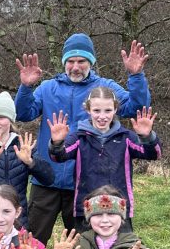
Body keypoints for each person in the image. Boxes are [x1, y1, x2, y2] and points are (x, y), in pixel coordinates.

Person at [15, 33, 151, 245]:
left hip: (83, 184)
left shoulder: (103, 88)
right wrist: (26, 87)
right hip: (45, 178)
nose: (75, 66)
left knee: (84, 245)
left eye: (81, 61)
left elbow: (136, 108)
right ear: (64, 63)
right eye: (70, 61)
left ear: (91, 62)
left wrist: (136, 76)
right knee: (32, 242)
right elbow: (23, 113)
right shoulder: (48, 88)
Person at [47, 87, 161, 232]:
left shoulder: (126, 137)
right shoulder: (79, 137)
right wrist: (56, 143)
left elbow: (153, 154)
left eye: (108, 110)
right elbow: (58, 157)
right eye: (96, 111)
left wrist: (147, 137)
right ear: (88, 110)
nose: (102, 116)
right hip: (86, 208)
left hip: (119, 208)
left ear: (115, 110)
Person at [0, 92, 54, 233]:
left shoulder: (23, 145)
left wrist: (30, 162)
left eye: (1, 117)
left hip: (17, 221)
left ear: (11, 119)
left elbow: (49, 178)